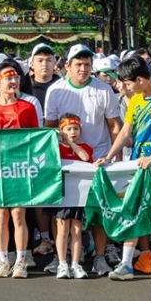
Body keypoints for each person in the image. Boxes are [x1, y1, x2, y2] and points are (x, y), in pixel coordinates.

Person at [95, 57, 151, 283]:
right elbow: (125, 132)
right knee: (132, 211)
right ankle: (126, 264)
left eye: (127, 82)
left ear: (140, 79)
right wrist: (108, 156)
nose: (124, 87)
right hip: (137, 165)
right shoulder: (135, 101)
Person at [43, 43, 123, 274]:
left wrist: (113, 158)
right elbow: (49, 128)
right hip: (65, 162)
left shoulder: (103, 90)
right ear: (67, 66)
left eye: (87, 64)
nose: (83, 68)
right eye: (77, 64)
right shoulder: (56, 90)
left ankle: (99, 256)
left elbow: (114, 126)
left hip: (97, 159)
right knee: (61, 213)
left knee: (97, 211)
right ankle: (62, 258)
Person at [0, 62, 40, 279]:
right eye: (8, 77)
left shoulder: (27, 107)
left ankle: (21, 260)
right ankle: (3, 260)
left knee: (19, 214)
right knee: (0, 215)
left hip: (19, 169)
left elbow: (36, 139)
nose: (13, 81)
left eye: (16, 78)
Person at [53, 113, 92, 280]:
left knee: (76, 230)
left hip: (79, 196)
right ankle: (62, 263)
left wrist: (70, 143)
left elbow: (85, 158)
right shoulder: (55, 147)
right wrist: (60, 141)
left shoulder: (85, 147)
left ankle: (75, 264)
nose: (73, 132)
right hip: (62, 195)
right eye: (68, 129)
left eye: (76, 128)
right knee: (62, 230)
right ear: (61, 131)